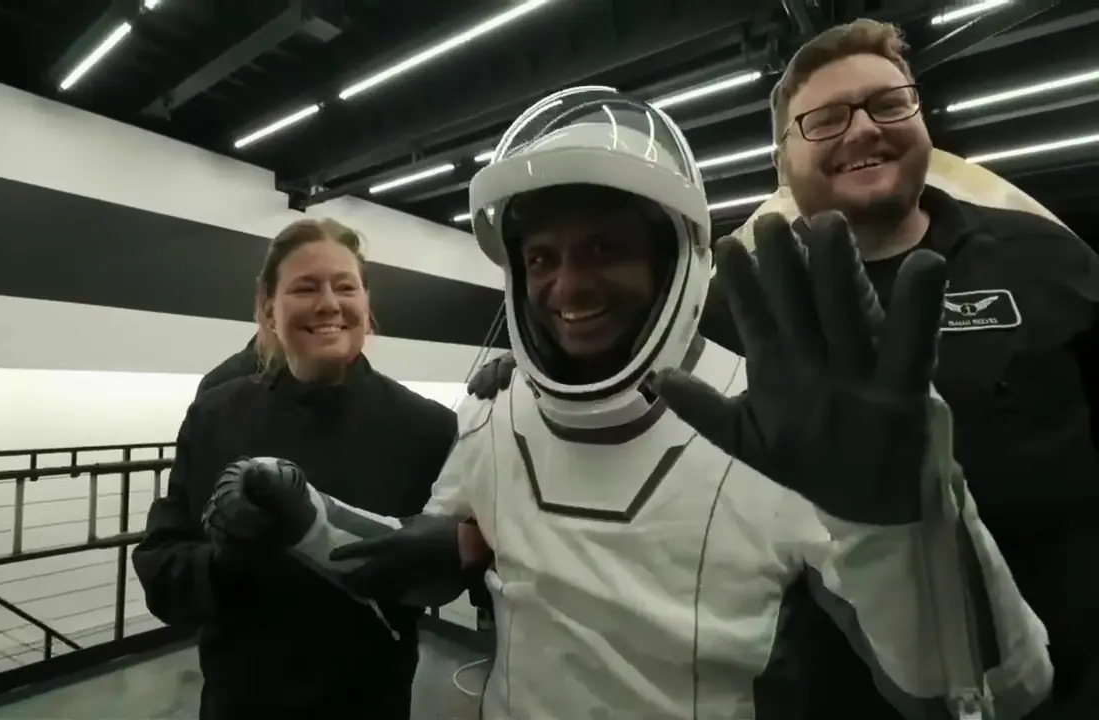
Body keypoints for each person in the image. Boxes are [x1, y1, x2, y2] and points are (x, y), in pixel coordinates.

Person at [244, 87, 1052, 718]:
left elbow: (981, 691)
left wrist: (907, 518)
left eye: (605, 247)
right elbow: (419, 560)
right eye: (542, 257)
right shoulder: (495, 410)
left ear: (675, 259)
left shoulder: (782, 423)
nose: (567, 285)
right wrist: (309, 519)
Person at [700, 19, 1099, 720]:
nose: (862, 131)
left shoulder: (1051, 261)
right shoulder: (737, 304)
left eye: (888, 104)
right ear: (781, 155)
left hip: (1064, 689)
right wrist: (508, 394)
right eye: (824, 119)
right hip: (833, 694)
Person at [130, 217, 458, 720]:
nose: (328, 303)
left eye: (345, 286)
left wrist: (441, 555)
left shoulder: (428, 428)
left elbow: (455, 577)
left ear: (366, 305)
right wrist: (222, 562)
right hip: (240, 706)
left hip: (370, 706)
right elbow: (160, 567)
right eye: (305, 288)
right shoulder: (215, 415)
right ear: (268, 309)